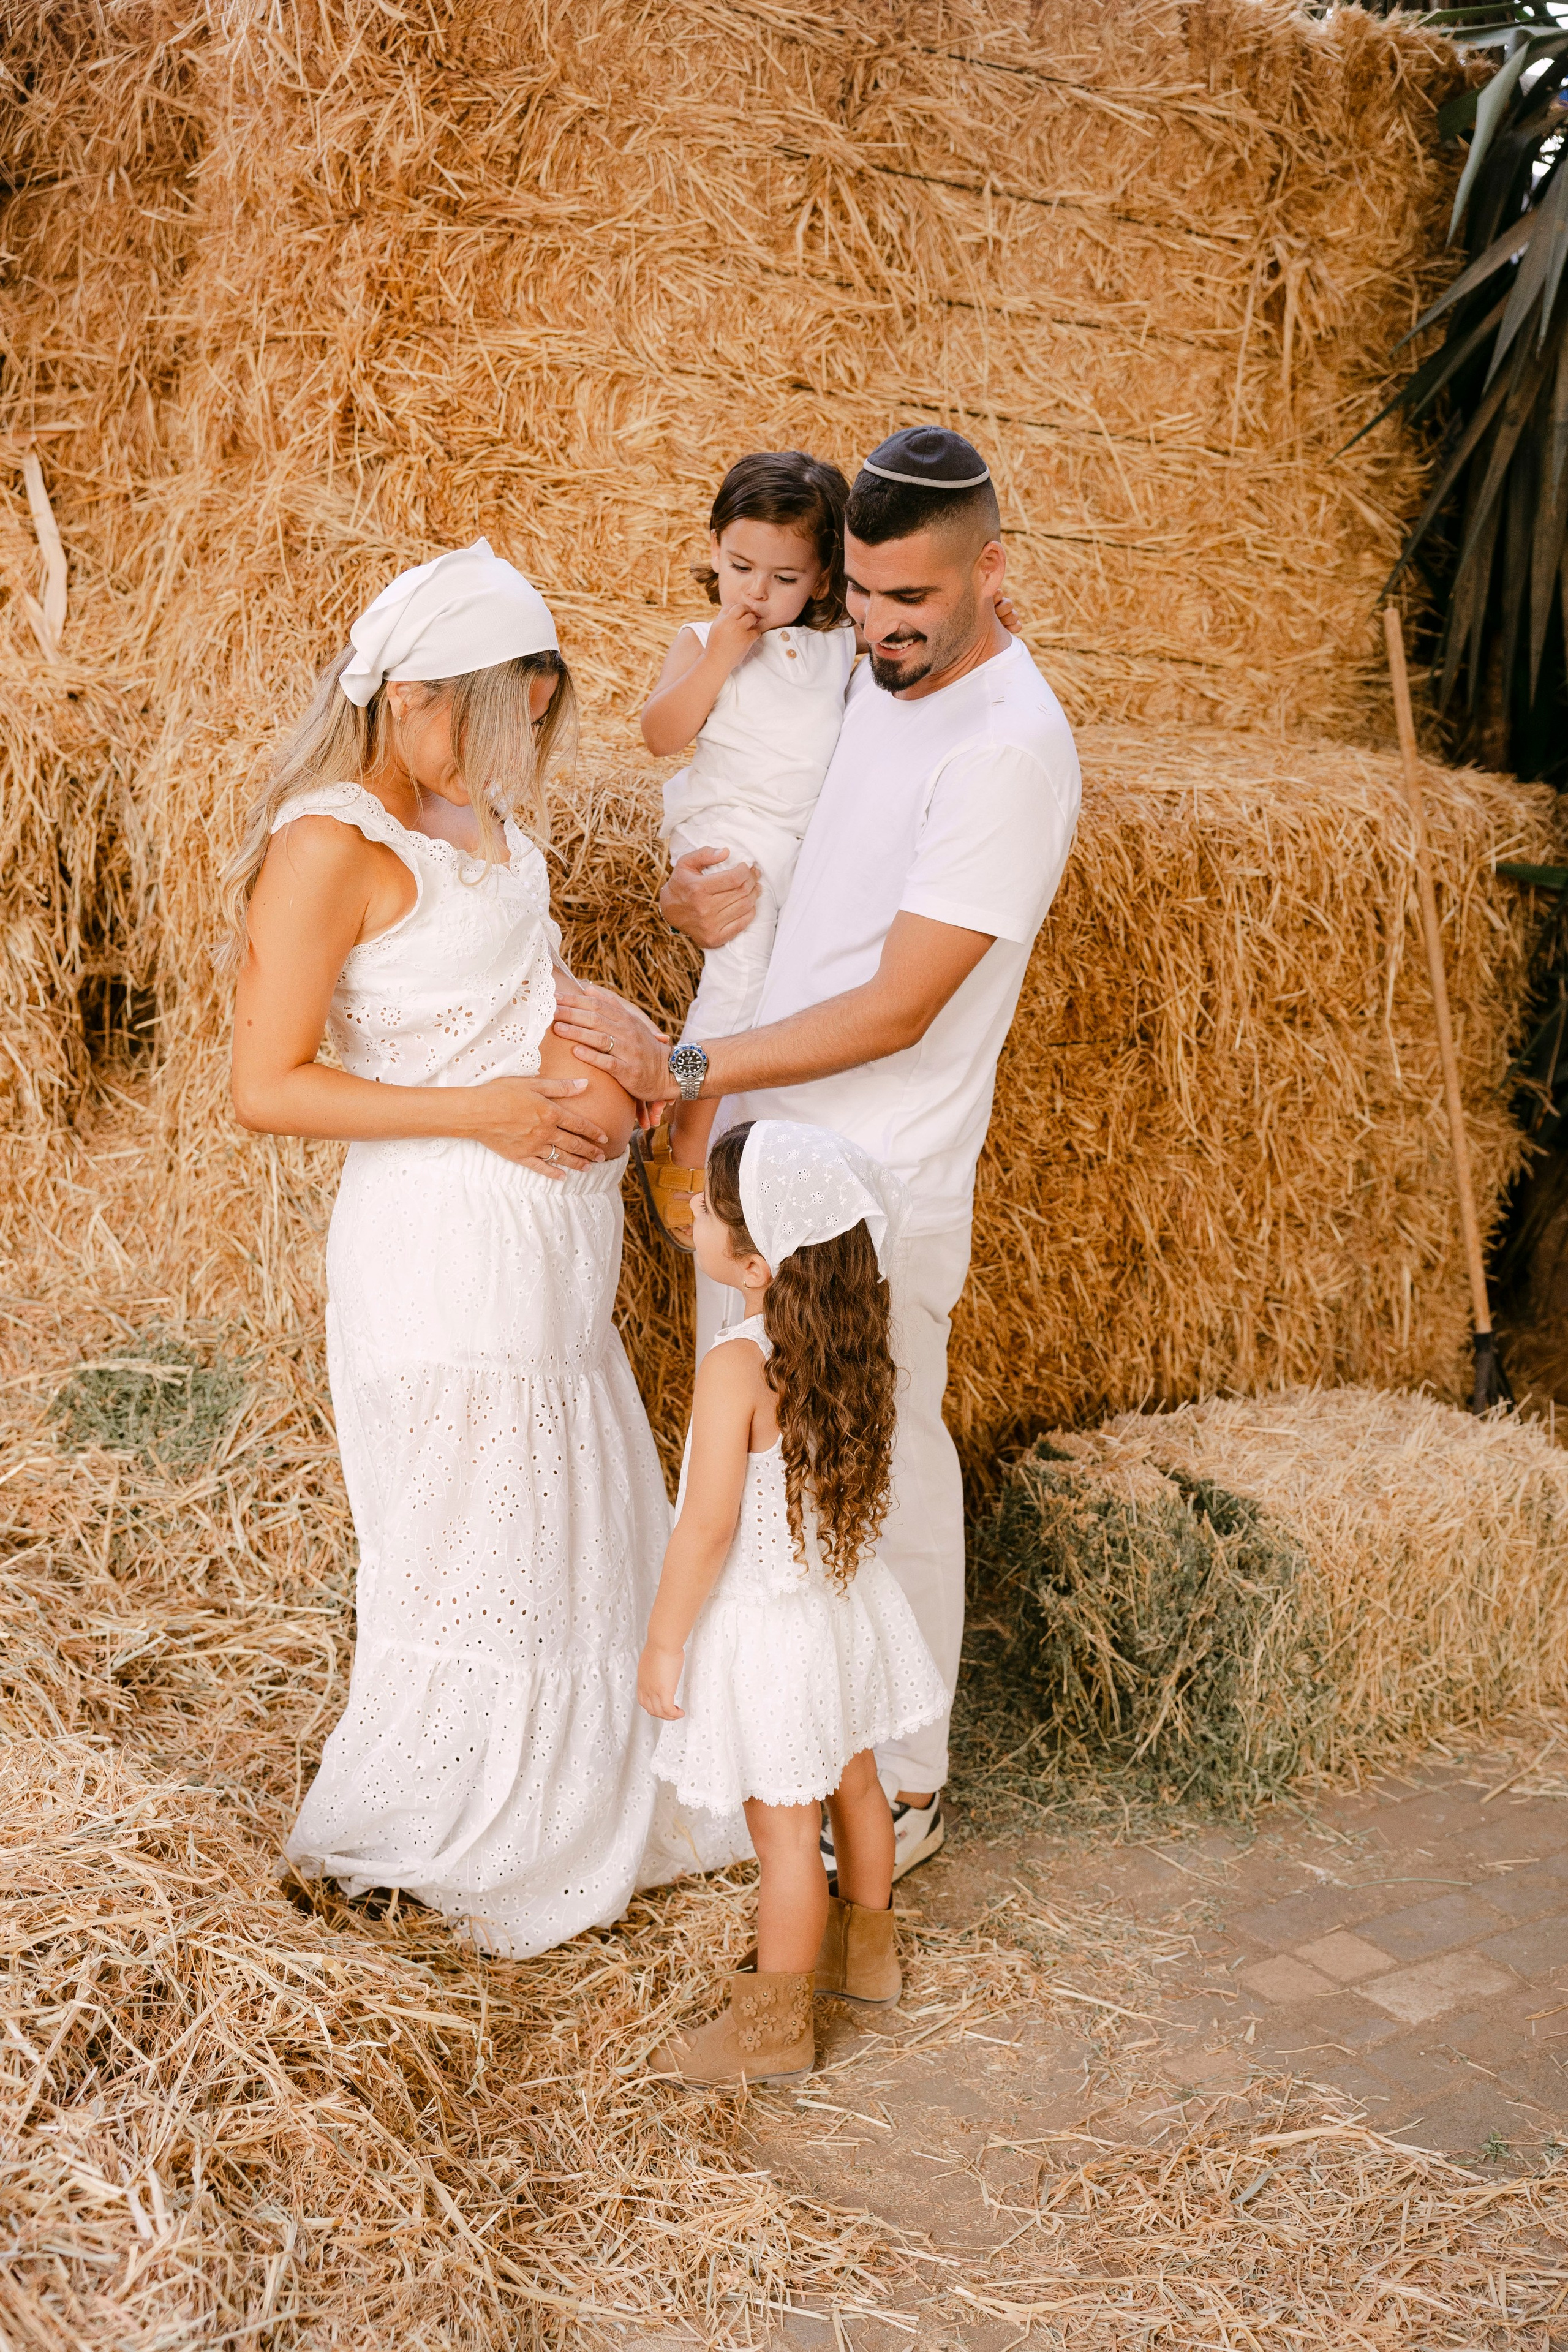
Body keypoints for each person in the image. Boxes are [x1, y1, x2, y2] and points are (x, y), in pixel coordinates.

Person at [553, 426, 1082, 1884]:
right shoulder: (874, 675)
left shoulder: (1008, 750)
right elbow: (770, 812)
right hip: (784, 1148)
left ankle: (905, 1783)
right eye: (858, 594)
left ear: (993, 571)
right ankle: (776, 1747)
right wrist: (699, 895)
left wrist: (692, 1068)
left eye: (911, 601)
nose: (879, 626)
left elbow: (903, 1001)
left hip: (884, 1171)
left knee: (885, 1456)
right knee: (772, 1464)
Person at [225, 539, 738, 1960]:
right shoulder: (330, 845)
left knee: (555, 1513)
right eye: (499, 721)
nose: (513, 758)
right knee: (469, 1532)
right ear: (413, 699)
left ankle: (574, 1798)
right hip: (442, 1247)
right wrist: (500, 1110)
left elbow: (521, 987)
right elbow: (265, 1085)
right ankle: (448, 1825)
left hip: (548, 1251)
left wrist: (623, 1070)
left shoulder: (487, 831)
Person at [638, 1120, 946, 2087]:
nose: (692, 1212)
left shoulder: (737, 1366)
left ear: (760, 1263)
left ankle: (771, 2037)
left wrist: (663, 1643)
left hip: (775, 1635)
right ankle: (870, 1963)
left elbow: (708, 1529)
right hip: (839, 1614)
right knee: (857, 1784)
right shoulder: (848, 1350)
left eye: (712, 1209)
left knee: (782, 1841)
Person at [633, 451, 854, 1246]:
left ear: (825, 580)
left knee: (803, 985)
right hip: (727, 832)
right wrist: (722, 654)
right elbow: (660, 735)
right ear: (716, 549)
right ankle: (684, 1131)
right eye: (739, 566)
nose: (756, 592)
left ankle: (745, 1138)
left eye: (784, 577)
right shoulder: (702, 639)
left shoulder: (839, 651)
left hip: (797, 839)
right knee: (740, 975)